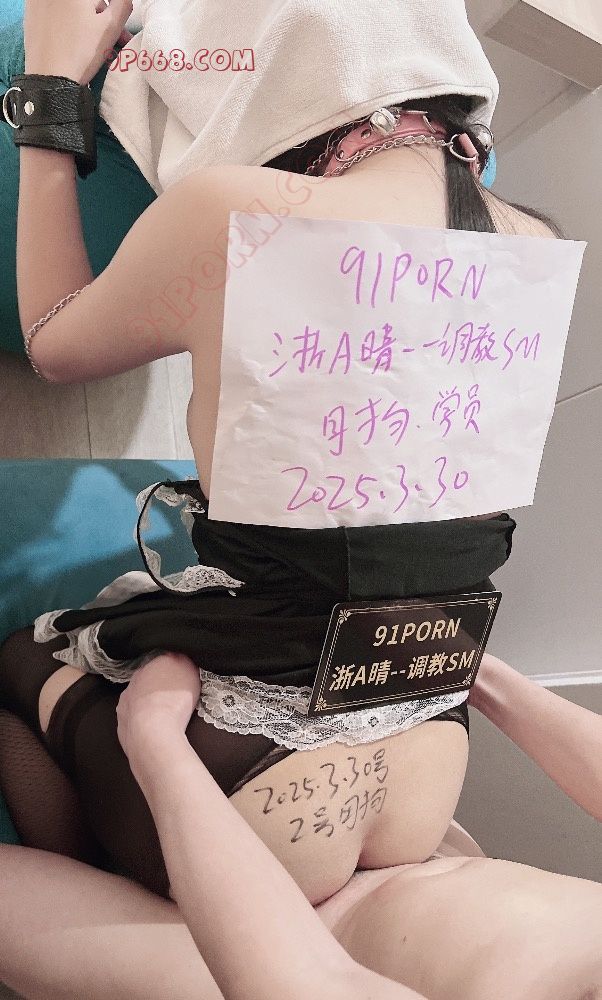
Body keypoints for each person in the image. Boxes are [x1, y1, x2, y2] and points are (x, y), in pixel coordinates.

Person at [2, 651, 602, 1000]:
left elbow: (312, 986)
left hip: (255, 955)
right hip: (418, 847)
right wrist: (478, 672)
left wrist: (154, 741)